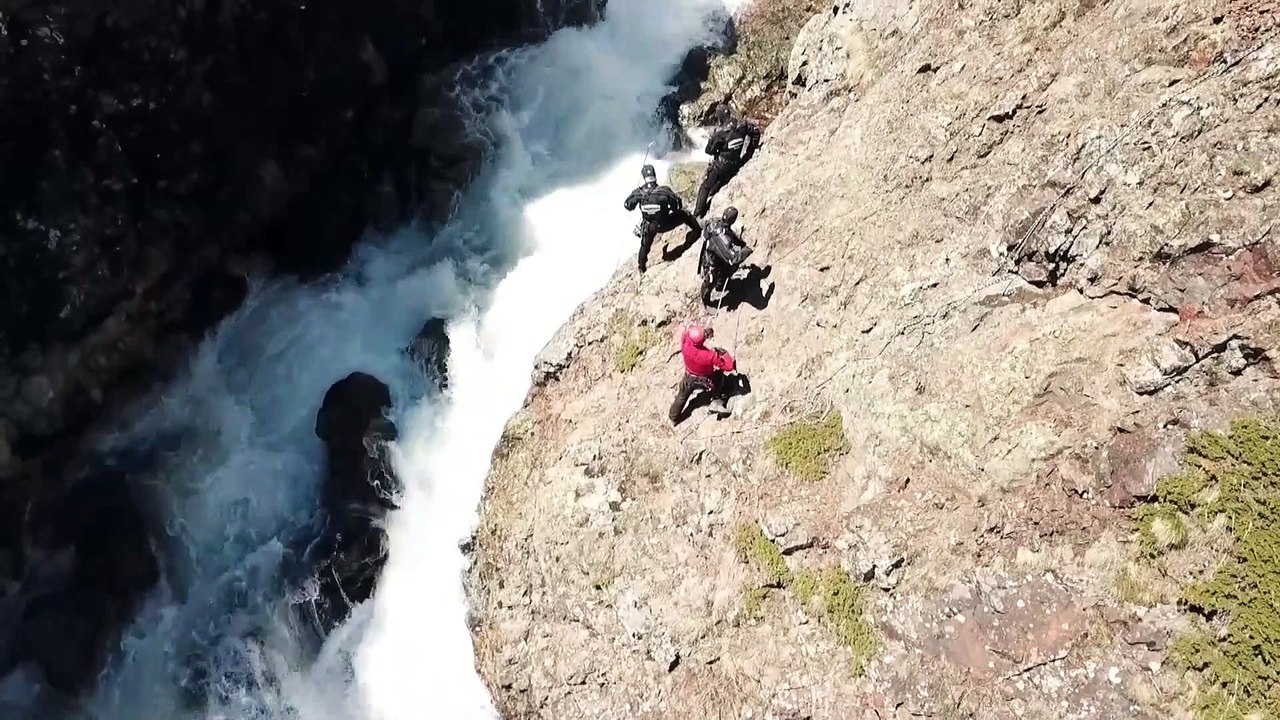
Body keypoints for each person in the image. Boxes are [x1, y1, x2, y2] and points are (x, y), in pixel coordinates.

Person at [622, 164, 701, 274]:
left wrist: (635, 196)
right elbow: (677, 206)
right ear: (655, 176)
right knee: (685, 215)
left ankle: (641, 267)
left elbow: (627, 206)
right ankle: (698, 231)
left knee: (645, 246)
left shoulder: (639, 193)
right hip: (665, 223)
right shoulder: (664, 191)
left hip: (649, 227)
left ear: (644, 177)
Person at [694, 104, 762, 218]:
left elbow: (709, 151)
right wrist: (749, 153)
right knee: (720, 182)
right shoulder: (742, 125)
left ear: (720, 117)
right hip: (735, 163)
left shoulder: (720, 132)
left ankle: (698, 213)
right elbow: (755, 133)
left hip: (720, 165)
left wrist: (713, 141)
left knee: (705, 186)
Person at [669, 324, 736, 424]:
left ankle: (673, 417)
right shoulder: (709, 355)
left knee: (682, 396)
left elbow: (687, 333)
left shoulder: (685, 343)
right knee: (719, 376)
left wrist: (703, 333)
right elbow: (729, 367)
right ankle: (717, 399)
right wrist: (724, 354)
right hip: (704, 380)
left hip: (688, 377)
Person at [698, 206, 753, 307]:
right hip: (712, 262)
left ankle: (721, 284)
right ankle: (707, 302)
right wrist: (746, 251)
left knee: (722, 273)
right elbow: (733, 259)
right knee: (710, 281)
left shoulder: (714, 222)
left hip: (711, 255)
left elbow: (729, 233)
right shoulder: (723, 239)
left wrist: (741, 243)